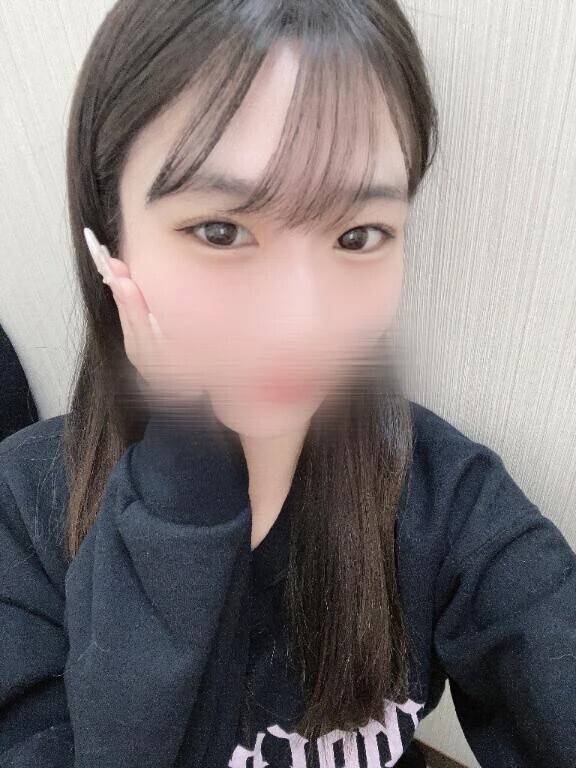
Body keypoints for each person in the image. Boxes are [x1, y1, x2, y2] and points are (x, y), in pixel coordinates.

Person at [0, 2, 574, 767]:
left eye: (358, 235)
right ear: (110, 241)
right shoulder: (22, 511)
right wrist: (182, 475)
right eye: (221, 231)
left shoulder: (446, 496)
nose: (299, 323)